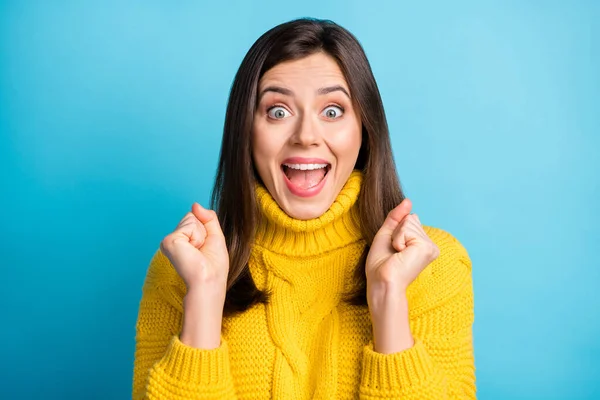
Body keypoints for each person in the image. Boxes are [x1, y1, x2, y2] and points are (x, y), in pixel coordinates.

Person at [133, 17, 476, 400]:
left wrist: (389, 300)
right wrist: (204, 297)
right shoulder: (182, 269)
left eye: (332, 111)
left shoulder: (435, 268)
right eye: (278, 111)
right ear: (245, 130)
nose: (306, 136)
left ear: (364, 129)